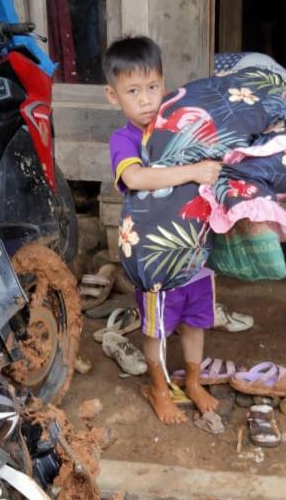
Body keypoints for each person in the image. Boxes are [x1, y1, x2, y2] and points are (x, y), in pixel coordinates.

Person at [103, 35, 221, 425]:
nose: (145, 100)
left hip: (194, 251)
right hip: (155, 258)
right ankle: (158, 387)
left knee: (196, 320)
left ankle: (192, 381)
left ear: (164, 86)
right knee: (156, 328)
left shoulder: (180, 131)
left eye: (152, 87)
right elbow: (135, 178)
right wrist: (192, 171)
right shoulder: (124, 139)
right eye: (132, 91)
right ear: (112, 96)